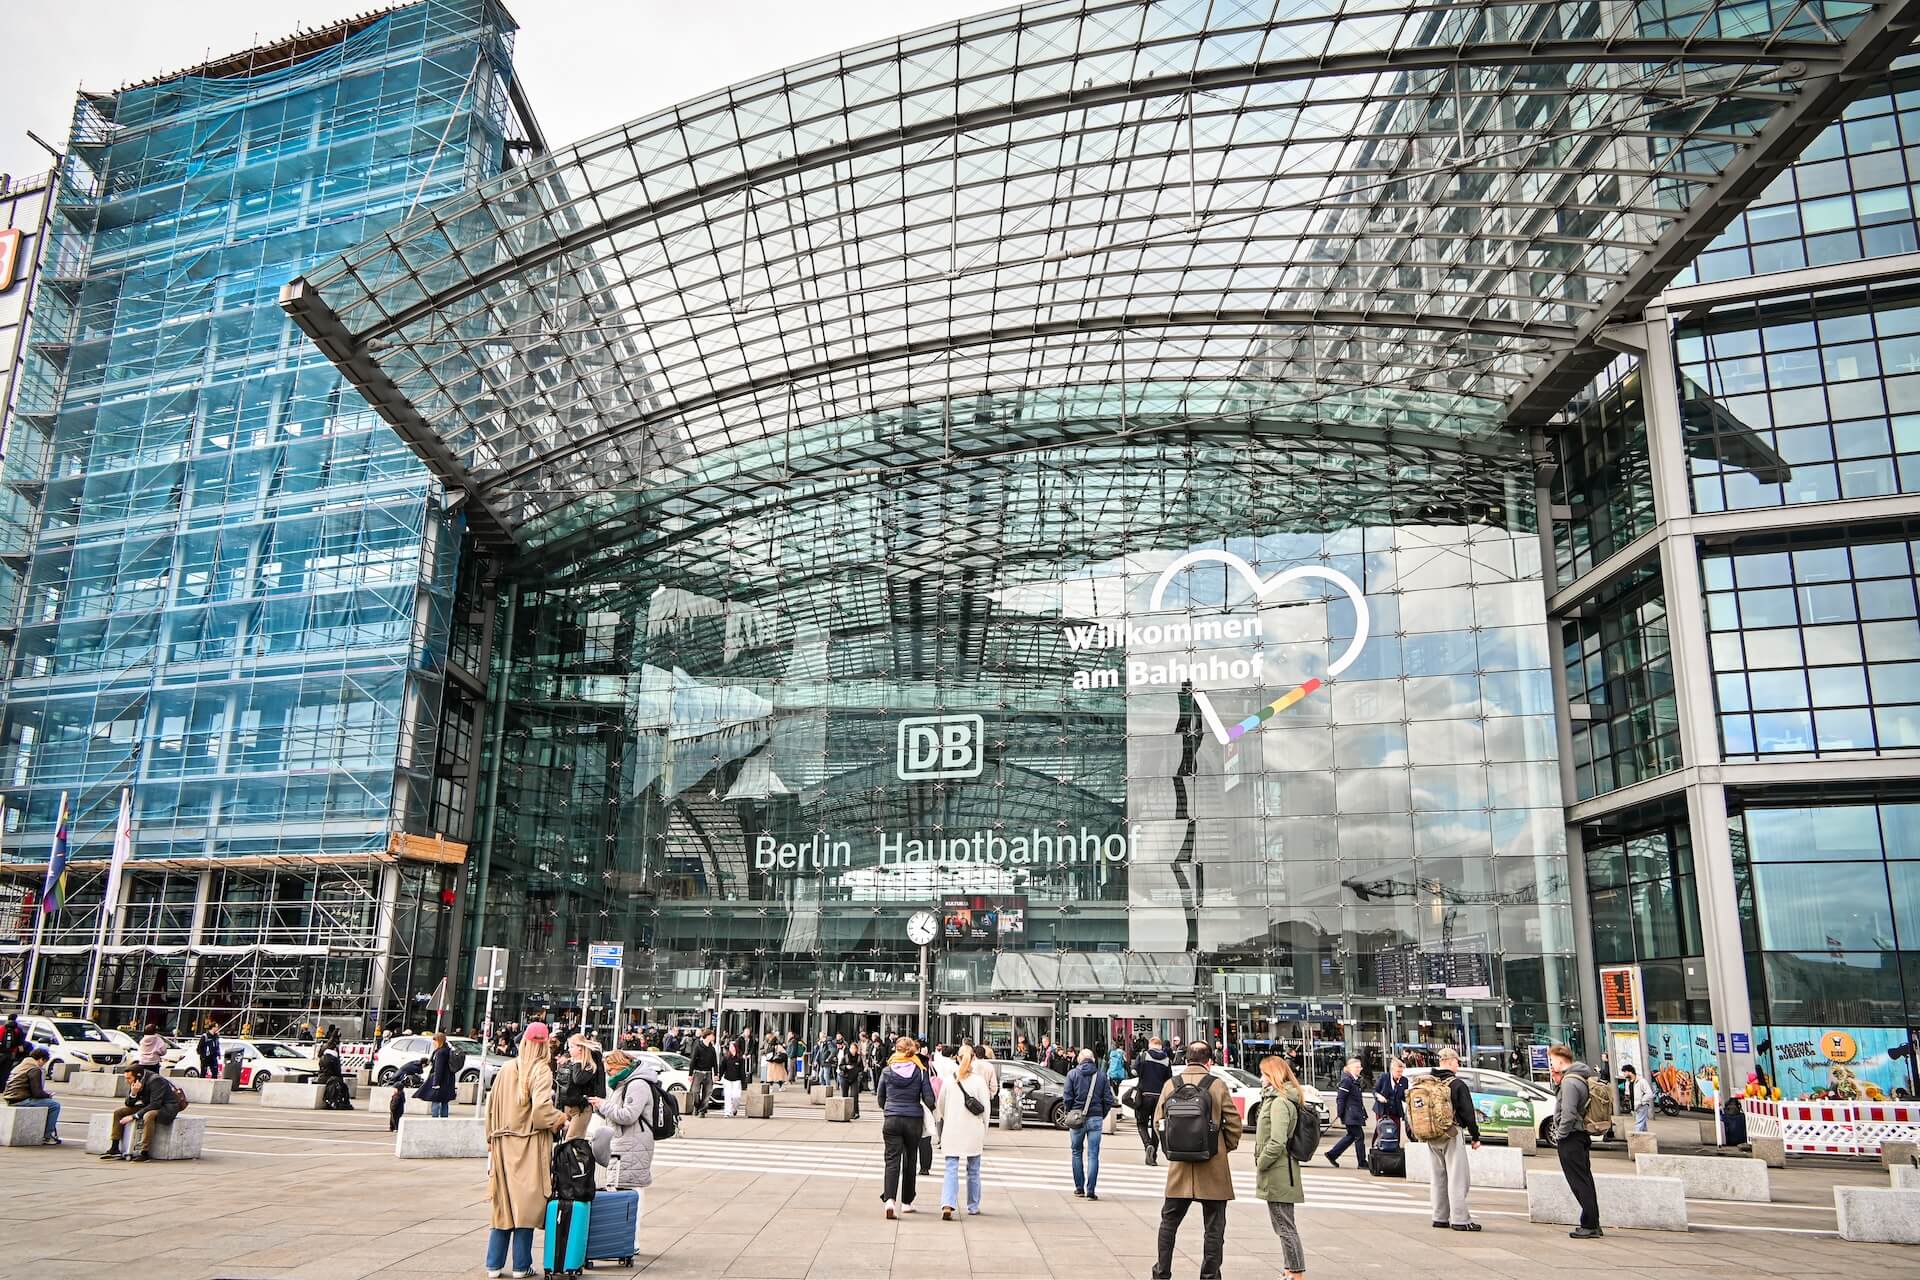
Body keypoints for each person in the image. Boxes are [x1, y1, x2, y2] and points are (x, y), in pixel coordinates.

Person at [1151, 1043, 1243, 1280]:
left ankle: (1162, 1273)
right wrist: (1223, 1148)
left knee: (1169, 1223)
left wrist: (1172, 1148)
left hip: (1179, 1168)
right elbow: (1233, 1124)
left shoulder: (1171, 1084)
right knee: (1214, 1228)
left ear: (1186, 1058)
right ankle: (1209, 1276)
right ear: (1208, 1061)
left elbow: (1158, 1122)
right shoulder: (1217, 1085)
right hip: (1213, 1167)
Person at [485, 1023, 566, 1277]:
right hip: (528, 1143)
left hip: (501, 1143)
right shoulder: (541, 1070)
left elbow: (490, 1106)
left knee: (503, 1205)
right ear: (545, 1045)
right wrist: (561, 1118)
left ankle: (493, 1265)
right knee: (526, 1206)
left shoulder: (507, 1068)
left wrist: (490, 1139)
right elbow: (542, 1112)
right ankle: (521, 1265)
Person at [1253, 1056, 1308, 1280]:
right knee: (1283, 1225)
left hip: (1278, 1172)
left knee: (1284, 1227)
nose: (1260, 1078)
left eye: (1263, 1074)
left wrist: (1261, 1162)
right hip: (1281, 1170)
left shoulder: (1279, 1102)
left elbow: (1277, 1141)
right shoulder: (1277, 1099)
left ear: (1272, 1075)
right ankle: (1290, 1270)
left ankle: (1295, 1273)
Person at [1417, 1048, 1483, 1231]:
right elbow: (1468, 1113)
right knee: (1457, 1177)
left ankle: (1439, 1217)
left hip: (1431, 1135)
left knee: (1438, 1177)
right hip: (1451, 1133)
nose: (1458, 1064)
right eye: (1456, 1061)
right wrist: (1475, 1136)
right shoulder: (1456, 1084)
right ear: (1449, 1061)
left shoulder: (1428, 1082)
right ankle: (1460, 1219)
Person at [876, 1035, 936, 1218]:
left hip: (892, 1120)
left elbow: (880, 1099)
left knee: (892, 1160)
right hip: (913, 1120)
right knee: (910, 1160)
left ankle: (889, 1201)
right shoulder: (920, 1070)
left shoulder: (887, 1070)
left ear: (897, 1049)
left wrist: (890, 1106)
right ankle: (907, 1202)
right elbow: (929, 1099)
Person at [590, 1048, 659, 1206]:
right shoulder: (623, 1084)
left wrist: (604, 1105)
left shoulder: (637, 1085)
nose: (609, 1074)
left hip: (632, 1145)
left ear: (620, 1066)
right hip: (624, 1144)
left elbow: (628, 1116)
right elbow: (616, 1115)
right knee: (622, 1195)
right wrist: (600, 1108)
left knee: (630, 1197)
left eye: (610, 1070)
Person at [1549, 1043, 1604, 1239]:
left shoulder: (1570, 1082)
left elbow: (1569, 1112)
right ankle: (1593, 1222)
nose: (1551, 1064)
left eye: (1552, 1060)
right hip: (1578, 1135)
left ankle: (1589, 1224)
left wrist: (1561, 1134)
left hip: (1572, 1136)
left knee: (1579, 1182)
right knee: (1584, 1180)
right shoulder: (1577, 1078)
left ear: (1561, 1060)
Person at [935, 1043, 991, 1219]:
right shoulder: (979, 1081)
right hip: (973, 1129)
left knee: (951, 1167)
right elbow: (986, 1110)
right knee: (973, 1169)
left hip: (953, 1128)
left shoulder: (950, 1080)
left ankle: (948, 1203)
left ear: (957, 1058)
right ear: (974, 1058)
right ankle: (973, 1206)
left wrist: (946, 1119)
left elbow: (941, 1106)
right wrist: (984, 1130)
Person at [1063, 1047, 1115, 1199]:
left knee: (1076, 1152)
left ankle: (1079, 1188)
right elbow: (1108, 1099)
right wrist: (1101, 1113)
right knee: (1093, 1155)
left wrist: (1070, 1111)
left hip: (1077, 1118)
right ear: (1093, 1060)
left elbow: (1067, 1097)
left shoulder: (1072, 1074)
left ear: (1079, 1060)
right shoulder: (1101, 1076)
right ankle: (1091, 1191)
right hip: (1096, 1118)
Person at [101, 1068, 185, 1161]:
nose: (126, 1081)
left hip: (166, 1108)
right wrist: (133, 1093)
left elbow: (156, 1104)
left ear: (138, 1076)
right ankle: (115, 1148)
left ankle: (144, 1152)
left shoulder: (156, 1080)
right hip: (149, 1105)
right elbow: (128, 1104)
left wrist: (134, 1116)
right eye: (126, 1078)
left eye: (128, 1078)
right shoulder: (136, 1082)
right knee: (119, 1112)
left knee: (148, 1115)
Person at [3, 1046, 62, 1145]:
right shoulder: (34, 1069)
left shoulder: (20, 1065)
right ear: (41, 1059)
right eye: (44, 1062)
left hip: (11, 1098)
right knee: (54, 1105)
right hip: (21, 1099)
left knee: (48, 1103)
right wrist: (48, 1095)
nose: (43, 1065)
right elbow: (37, 1093)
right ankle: (48, 1136)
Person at [1133, 1036, 1174, 1165]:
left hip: (1144, 1095)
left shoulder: (1144, 1055)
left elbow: (1134, 1071)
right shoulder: (1167, 1060)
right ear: (1160, 1046)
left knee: (1141, 1124)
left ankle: (1147, 1145)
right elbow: (1169, 1080)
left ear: (1150, 1045)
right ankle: (1153, 1155)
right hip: (1159, 1097)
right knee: (1156, 1126)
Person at [556, 1034, 603, 1139]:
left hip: (581, 1108)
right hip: (567, 1105)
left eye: (572, 1047)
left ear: (580, 1048)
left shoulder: (589, 1065)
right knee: (564, 1139)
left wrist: (577, 1062)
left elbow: (578, 1079)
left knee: (572, 1139)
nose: (569, 1050)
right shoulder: (570, 1063)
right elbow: (561, 1084)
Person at [1324, 1057, 1368, 1169]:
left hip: (1354, 1113)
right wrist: (1340, 1113)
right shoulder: (1347, 1080)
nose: (1360, 1069)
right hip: (1351, 1114)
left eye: (1360, 1067)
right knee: (1359, 1136)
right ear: (1350, 1068)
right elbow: (1341, 1098)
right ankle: (1362, 1162)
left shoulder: (1354, 1080)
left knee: (1351, 1136)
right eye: (1357, 1067)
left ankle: (1332, 1154)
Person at [415, 1030, 458, 1120]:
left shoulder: (440, 1053)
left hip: (441, 1081)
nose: (433, 1043)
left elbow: (438, 1069)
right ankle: (444, 1120)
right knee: (444, 1102)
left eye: (434, 1041)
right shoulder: (447, 1050)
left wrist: (435, 1083)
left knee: (436, 1101)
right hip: (448, 1080)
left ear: (439, 1041)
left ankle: (434, 1120)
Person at [317, 1031, 353, 1110]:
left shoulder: (323, 1055)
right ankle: (343, 1102)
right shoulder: (334, 1057)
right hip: (330, 1078)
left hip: (322, 1077)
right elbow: (337, 1071)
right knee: (343, 1085)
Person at [687, 1029, 717, 1118]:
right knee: (695, 1091)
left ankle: (702, 1110)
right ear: (707, 1036)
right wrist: (690, 1074)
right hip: (698, 1072)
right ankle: (696, 1106)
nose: (713, 1037)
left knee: (707, 1093)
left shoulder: (712, 1049)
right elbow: (692, 1061)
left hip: (708, 1073)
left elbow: (715, 1062)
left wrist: (716, 1074)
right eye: (712, 1035)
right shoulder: (698, 1047)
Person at [1374, 1057, 1408, 1135]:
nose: (1400, 1074)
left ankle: (1396, 1146)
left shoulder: (1404, 1080)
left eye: (1401, 1072)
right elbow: (1375, 1090)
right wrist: (1379, 1096)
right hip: (1382, 1109)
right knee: (1382, 1130)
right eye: (1398, 1071)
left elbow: (1403, 1097)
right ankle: (1378, 1145)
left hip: (1395, 1110)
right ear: (1392, 1070)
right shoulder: (1384, 1077)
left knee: (1396, 1130)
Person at [838, 1034, 866, 1119]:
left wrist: (858, 1072)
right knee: (845, 1095)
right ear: (850, 1049)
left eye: (854, 1049)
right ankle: (844, 1112)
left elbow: (862, 1068)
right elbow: (840, 1066)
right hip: (844, 1077)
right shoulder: (846, 1057)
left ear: (857, 1050)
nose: (853, 1050)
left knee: (855, 1096)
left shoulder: (858, 1058)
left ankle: (855, 1113)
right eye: (851, 1048)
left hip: (854, 1078)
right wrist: (846, 1067)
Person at [719, 1036, 748, 1117]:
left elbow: (742, 1071)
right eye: (730, 1047)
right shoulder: (726, 1058)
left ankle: (734, 1109)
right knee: (728, 1096)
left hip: (737, 1080)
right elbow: (722, 1068)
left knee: (736, 1097)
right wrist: (719, 1076)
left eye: (733, 1047)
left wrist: (744, 1083)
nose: (731, 1049)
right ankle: (727, 1112)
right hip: (727, 1079)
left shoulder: (740, 1059)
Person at [1623, 1063, 1653, 1133]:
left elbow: (1649, 1093)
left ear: (1630, 1072)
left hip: (1641, 1106)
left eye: (1625, 1072)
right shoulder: (1628, 1082)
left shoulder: (1641, 1081)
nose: (1624, 1074)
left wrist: (1642, 1102)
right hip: (1634, 1106)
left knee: (1639, 1124)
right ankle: (1645, 1139)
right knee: (1642, 1124)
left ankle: (1636, 1140)